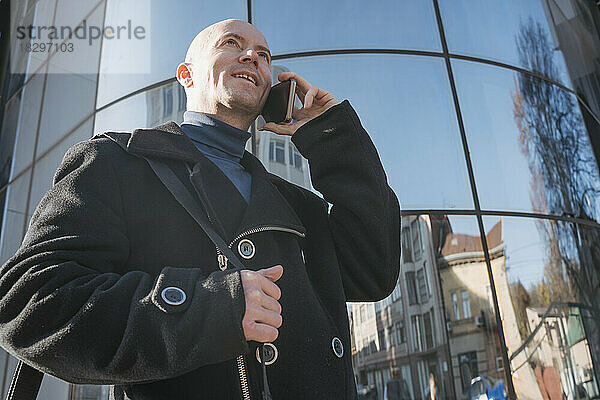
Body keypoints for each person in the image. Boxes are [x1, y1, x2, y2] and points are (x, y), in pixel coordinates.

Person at [0, 18, 400, 399]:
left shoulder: (298, 206)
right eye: (232, 44)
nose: (252, 57)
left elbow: (373, 273)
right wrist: (212, 309)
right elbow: (28, 302)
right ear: (186, 75)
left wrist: (332, 135)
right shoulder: (115, 162)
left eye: (263, 54)